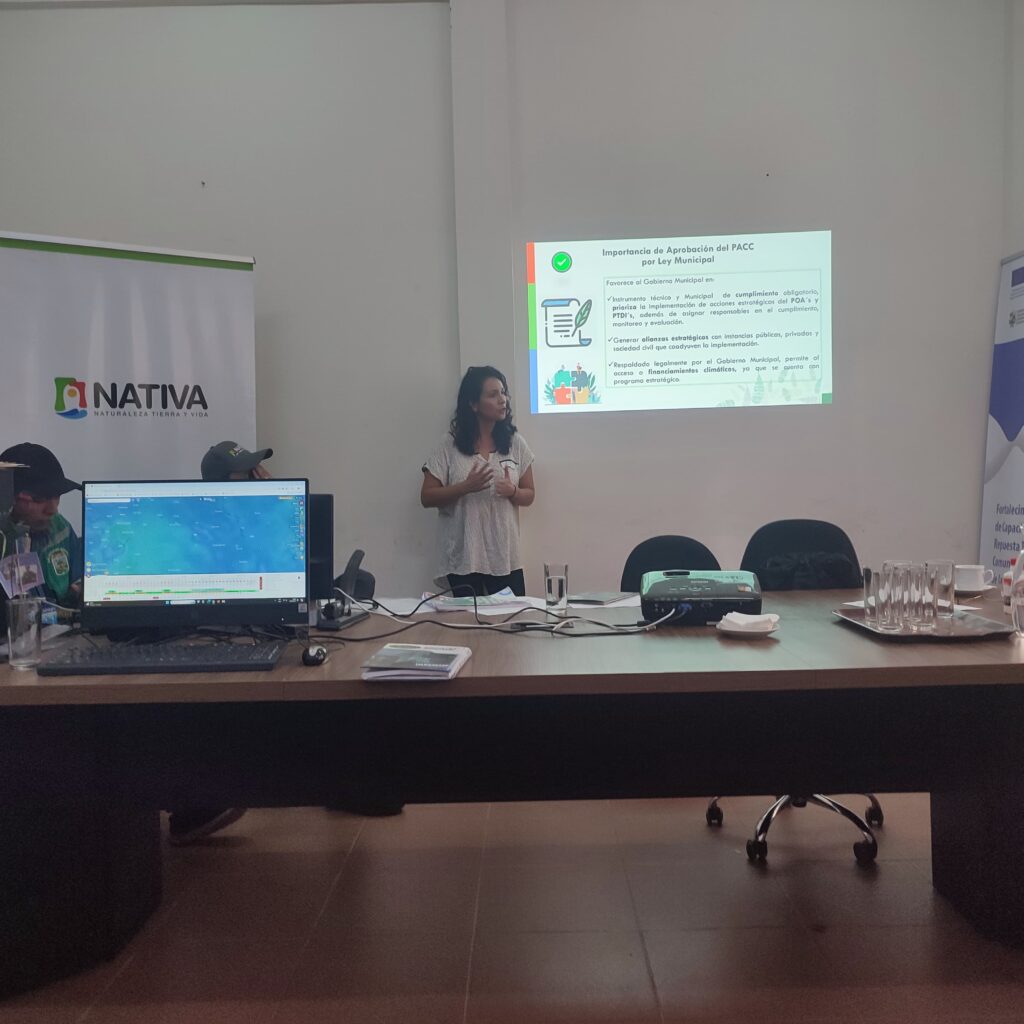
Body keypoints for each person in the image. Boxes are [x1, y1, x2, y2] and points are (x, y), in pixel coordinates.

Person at [421, 366, 535, 596]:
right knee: (468, 620)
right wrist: (465, 487)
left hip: (505, 556)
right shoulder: (449, 445)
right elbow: (426, 497)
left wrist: (513, 491)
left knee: (513, 617)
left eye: (503, 393)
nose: (502, 400)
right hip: (464, 557)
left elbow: (529, 494)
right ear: (473, 404)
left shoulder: (515, 442)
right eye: (493, 395)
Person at [0, 443, 83, 609]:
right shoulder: (4, 542)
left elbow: (79, 582)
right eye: (40, 499)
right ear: (9, 498)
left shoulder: (60, 526)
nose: (53, 509)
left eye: (57, 496)